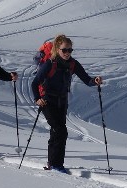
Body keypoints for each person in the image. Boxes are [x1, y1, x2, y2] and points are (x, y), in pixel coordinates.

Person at [30, 34, 102, 173]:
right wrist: (37, 99)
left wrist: (95, 81)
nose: (67, 53)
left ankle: (54, 163)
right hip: (47, 101)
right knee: (60, 130)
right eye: (64, 50)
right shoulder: (50, 63)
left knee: (58, 131)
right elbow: (35, 83)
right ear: (57, 49)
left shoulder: (73, 64)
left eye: (70, 50)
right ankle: (56, 165)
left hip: (62, 101)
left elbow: (86, 79)